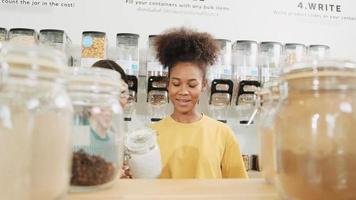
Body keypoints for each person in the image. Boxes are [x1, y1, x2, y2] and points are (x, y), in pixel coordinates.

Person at [150, 28, 248, 178]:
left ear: (204, 85)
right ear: (167, 84)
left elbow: (238, 187)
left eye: (192, 85)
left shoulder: (222, 133)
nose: (183, 91)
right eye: (176, 84)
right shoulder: (151, 134)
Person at [91, 59, 132, 178]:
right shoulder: (79, 128)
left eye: (122, 93)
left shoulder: (113, 132)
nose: (118, 100)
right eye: (110, 93)